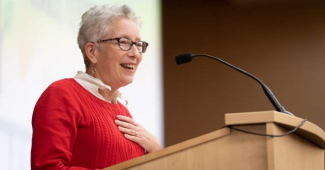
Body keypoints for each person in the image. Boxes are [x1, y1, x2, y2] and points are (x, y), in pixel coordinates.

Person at [31, 4, 161, 170]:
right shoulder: (63, 94)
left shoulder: (123, 111)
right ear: (92, 52)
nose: (135, 53)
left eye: (138, 44)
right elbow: (48, 167)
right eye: (124, 42)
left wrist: (155, 151)